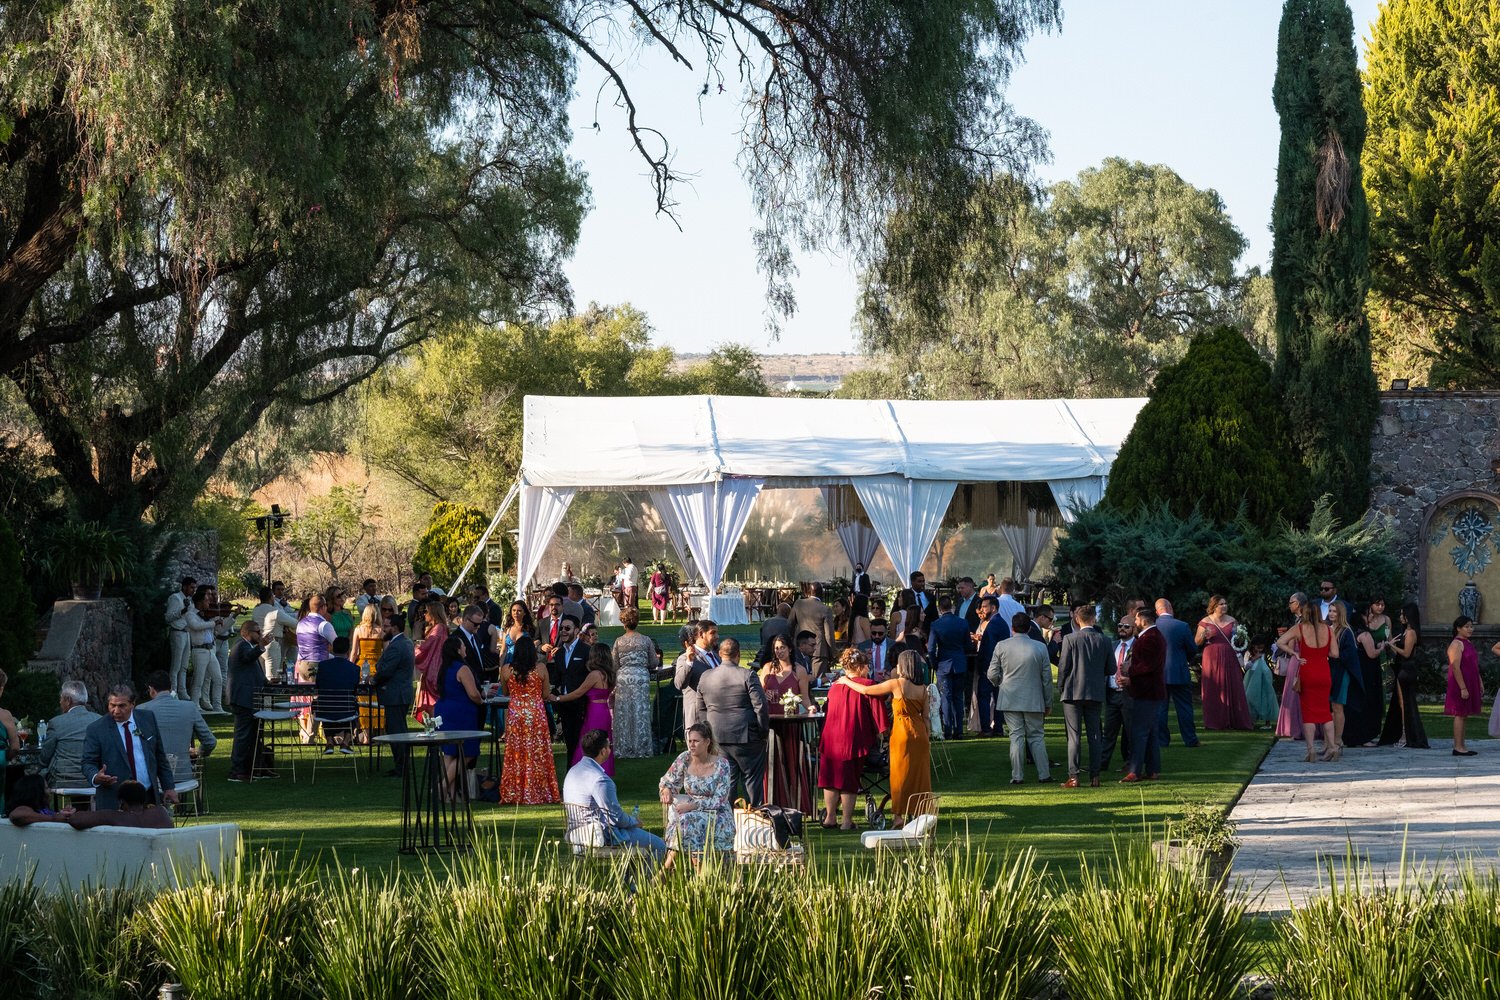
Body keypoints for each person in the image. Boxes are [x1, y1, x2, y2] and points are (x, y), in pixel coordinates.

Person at [837, 650, 930, 825]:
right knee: (920, 775)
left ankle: (898, 816)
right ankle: (920, 813)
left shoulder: (896, 684)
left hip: (902, 732)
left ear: (903, 666)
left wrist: (846, 681)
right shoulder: (923, 689)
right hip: (921, 734)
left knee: (899, 776)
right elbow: (926, 717)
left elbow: (867, 690)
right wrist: (927, 736)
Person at [564, 729, 666, 862]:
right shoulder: (600, 780)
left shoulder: (573, 771)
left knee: (637, 844)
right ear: (603, 751)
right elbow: (615, 818)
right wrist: (634, 822)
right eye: (609, 746)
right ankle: (638, 883)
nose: (610, 749)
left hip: (576, 833)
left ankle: (629, 882)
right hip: (600, 836)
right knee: (659, 845)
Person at [694, 641, 770, 806]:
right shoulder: (748, 675)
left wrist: (707, 734)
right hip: (747, 735)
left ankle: (728, 821)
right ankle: (754, 817)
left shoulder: (706, 676)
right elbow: (761, 706)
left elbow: (700, 709)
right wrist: (763, 731)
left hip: (717, 735)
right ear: (738, 654)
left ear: (720, 654)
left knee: (727, 781)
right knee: (752, 780)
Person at [817, 649, 886, 828]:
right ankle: (847, 821)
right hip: (853, 738)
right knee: (849, 779)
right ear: (862, 667)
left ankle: (830, 817)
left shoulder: (835, 687)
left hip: (831, 738)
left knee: (831, 778)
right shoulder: (868, 685)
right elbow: (879, 716)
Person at [81, 684, 179, 809]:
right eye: (112, 705)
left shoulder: (147, 719)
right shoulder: (96, 729)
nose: (116, 711)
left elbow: (159, 756)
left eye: (122, 706)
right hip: (114, 800)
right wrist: (95, 776)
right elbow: (87, 762)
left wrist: (169, 787)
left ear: (132, 704)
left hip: (147, 796)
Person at [657, 722, 735, 868]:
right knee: (686, 821)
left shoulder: (722, 765)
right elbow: (667, 781)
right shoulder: (684, 759)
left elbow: (719, 799)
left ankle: (667, 870)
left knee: (688, 821)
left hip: (717, 813)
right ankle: (696, 873)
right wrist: (666, 790)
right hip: (689, 810)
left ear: (707, 742)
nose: (691, 745)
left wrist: (693, 806)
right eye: (690, 741)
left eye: (696, 741)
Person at [990, 612, 1054, 784]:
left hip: (1010, 696)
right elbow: (1046, 678)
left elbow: (992, 673)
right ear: (1029, 628)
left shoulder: (1001, 646)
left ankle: (1017, 776)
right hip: (1033, 698)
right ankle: (1044, 774)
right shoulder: (1040, 647)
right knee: (1036, 736)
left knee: (1016, 736)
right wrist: (1048, 701)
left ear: (1012, 628)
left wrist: (1000, 683)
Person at [760, 633, 818, 814]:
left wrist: (810, 708)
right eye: (776, 648)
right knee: (771, 762)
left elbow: (805, 698)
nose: (779, 651)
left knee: (791, 761)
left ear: (790, 649)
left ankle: (795, 803)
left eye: (782, 647)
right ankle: (771, 801)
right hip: (770, 722)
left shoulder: (799, 670)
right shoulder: (767, 668)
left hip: (791, 723)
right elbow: (759, 694)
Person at [498, 636, 561, 804]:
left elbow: (505, 693)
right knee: (538, 751)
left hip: (516, 715)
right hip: (535, 714)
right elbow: (546, 694)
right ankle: (539, 789)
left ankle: (515, 790)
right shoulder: (540, 668)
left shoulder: (506, 670)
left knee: (516, 752)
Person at [1275, 595, 1336, 762]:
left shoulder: (1300, 628)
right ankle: (1332, 747)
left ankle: (1311, 751)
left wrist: (1295, 653)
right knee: (1326, 712)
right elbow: (1335, 653)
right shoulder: (1329, 630)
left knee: (1308, 714)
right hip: (1324, 672)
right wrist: (1322, 653)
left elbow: (1281, 642)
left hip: (1307, 671)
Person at [1057, 604, 1111, 788]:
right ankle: (1095, 776)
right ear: (1094, 619)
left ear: (1077, 619)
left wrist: (1060, 686)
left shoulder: (1070, 639)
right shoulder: (1104, 640)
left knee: (1074, 736)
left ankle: (1074, 776)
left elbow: (1063, 667)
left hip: (1072, 692)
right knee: (1095, 735)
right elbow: (1111, 668)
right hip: (1095, 691)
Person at [137, 669, 217, 782]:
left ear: (151, 689)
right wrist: (198, 753)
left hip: (152, 777)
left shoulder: (141, 710)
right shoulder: (190, 707)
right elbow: (210, 742)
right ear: (170, 689)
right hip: (183, 775)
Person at [432, 635, 483, 798]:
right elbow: (473, 693)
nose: (465, 648)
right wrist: (482, 699)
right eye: (463, 646)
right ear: (457, 650)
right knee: (467, 752)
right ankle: (442, 786)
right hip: (461, 712)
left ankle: (450, 796)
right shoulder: (462, 668)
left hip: (444, 710)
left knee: (449, 752)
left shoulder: (444, 667)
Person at [555, 642, 616, 773]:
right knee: (603, 742)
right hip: (604, 711)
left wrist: (558, 698)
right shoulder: (609, 674)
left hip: (594, 712)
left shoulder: (595, 674)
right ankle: (603, 770)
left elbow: (578, 692)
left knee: (589, 742)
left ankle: (584, 773)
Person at [1196, 595, 1253, 731]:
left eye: (1225, 603)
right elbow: (1196, 642)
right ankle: (1214, 721)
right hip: (1211, 656)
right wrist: (1204, 635)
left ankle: (1236, 719)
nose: (1224, 606)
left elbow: (1238, 640)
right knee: (1213, 686)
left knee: (1233, 684)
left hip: (1229, 655)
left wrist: (1241, 638)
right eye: (1221, 604)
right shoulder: (1205, 621)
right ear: (1214, 607)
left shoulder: (1233, 621)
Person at [1121, 607, 1165, 782]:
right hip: (1151, 691)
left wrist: (1130, 670)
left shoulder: (1149, 639)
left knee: (1139, 732)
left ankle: (1135, 770)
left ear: (1144, 621)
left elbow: (1147, 665)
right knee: (1151, 732)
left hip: (1146, 691)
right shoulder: (1153, 637)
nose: (1135, 623)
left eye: (1137, 620)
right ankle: (1152, 768)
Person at [610, 607, 659, 759]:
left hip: (624, 677)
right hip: (640, 677)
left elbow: (614, 664)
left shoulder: (619, 641)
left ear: (623, 623)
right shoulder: (645, 640)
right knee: (640, 711)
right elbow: (653, 662)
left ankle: (624, 747)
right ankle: (641, 747)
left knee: (624, 711)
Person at [1378, 604, 1429, 749]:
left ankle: (1407, 736)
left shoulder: (1411, 632)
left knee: (1405, 703)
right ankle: (1403, 733)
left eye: (1403, 615)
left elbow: (1406, 653)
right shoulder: (1405, 632)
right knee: (1401, 703)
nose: (1400, 617)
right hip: (1402, 668)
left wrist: (1391, 645)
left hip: (1407, 669)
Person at [371, 618, 416, 777]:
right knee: (398, 729)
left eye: (386, 626)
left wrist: (374, 679)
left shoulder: (396, 646)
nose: (383, 629)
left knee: (396, 730)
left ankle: (401, 766)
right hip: (401, 692)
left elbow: (386, 670)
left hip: (395, 693)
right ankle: (402, 764)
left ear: (395, 628)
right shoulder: (406, 642)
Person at [226, 619, 270, 782]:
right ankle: (237, 771)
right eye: (257, 632)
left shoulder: (248, 647)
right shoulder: (241, 646)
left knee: (253, 735)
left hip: (251, 697)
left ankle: (254, 768)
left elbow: (251, 668)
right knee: (243, 735)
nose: (260, 635)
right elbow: (247, 658)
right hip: (243, 698)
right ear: (246, 632)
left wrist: (266, 681)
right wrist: (261, 646)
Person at [1154, 599, 1199, 748]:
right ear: (1170, 608)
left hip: (1159, 673)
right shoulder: (1182, 626)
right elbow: (1192, 648)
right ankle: (1190, 739)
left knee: (1161, 708)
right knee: (1184, 708)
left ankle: (1162, 741)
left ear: (1157, 611)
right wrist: (1184, 658)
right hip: (1179, 671)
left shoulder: (1153, 627)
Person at [928, 595, 972, 740]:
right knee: (958, 697)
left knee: (946, 698)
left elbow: (930, 648)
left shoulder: (935, 624)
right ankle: (958, 730)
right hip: (959, 662)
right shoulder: (963, 623)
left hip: (943, 664)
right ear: (952, 607)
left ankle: (947, 729)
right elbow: (968, 645)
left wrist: (934, 663)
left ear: (940, 609)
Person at [40, 680, 101, 786]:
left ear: (68, 700)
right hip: (93, 778)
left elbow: (45, 755)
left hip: (63, 779)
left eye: (61, 698)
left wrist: (39, 768)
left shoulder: (56, 723)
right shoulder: (99, 720)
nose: (60, 702)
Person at [548, 616, 591, 762]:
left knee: (583, 745)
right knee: (570, 745)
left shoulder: (586, 651)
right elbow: (556, 679)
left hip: (583, 704)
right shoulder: (559, 653)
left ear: (577, 630)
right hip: (564, 705)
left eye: (567, 628)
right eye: (561, 628)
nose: (563, 631)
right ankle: (571, 775)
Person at [314, 637, 362, 753]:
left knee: (329, 704)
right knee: (351, 707)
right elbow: (355, 688)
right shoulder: (354, 668)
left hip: (326, 709)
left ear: (332, 649)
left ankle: (329, 741)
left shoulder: (323, 666)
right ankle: (345, 741)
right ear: (348, 650)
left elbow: (318, 685)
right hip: (346, 709)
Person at [1344, 614, 1385, 747]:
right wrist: (1381, 648)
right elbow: (1371, 653)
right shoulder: (1365, 634)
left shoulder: (1351, 633)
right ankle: (1365, 736)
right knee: (1367, 702)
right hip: (1368, 672)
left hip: (1357, 671)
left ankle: (1352, 735)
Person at [1327, 602, 1363, 752]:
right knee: (1330, 707)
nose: (1331, 613)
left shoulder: (1346, 632)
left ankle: (1338, 739)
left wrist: (1332, 655)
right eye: (1330, 610)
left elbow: (1349, 655)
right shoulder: (1328, 629)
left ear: (1340, 613)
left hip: (1342, 672)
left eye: (1334, 611)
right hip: (1330, 671)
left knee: (1338, 705)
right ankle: (1329, 740)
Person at [1446, 616, 1483, 757]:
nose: (1470, 629)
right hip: (1460, 684)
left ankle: (1462, 745)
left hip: (1470, 682)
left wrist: (1479, 681)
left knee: (1464, 714)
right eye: (1466, 626)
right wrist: (1463, 688)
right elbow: (1455, 667)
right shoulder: (1456, 644)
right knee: (1460, 714)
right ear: (1458, 628)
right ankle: (1458, 747)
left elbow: (1473, 665)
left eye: (1471, 626)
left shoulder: (1467, 642)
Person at [67, 780, 173, 830]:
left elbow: (76, 820)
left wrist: (70, 814)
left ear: (122, 802)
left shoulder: (116, 817)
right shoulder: (161, 813)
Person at [972, 597, 1009, 737]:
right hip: (998, 667)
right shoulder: (1000, 623)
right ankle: (998, 727)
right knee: (998, 697)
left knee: (984, 696)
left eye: (985, 607)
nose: (982, 609)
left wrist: (983, 665)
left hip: (991, 667)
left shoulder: (994, 625)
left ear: (993, 608)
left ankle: (986, 728)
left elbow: (990, 649)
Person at [1101, 617, 1133, 771]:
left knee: (1129, 731)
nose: (1122, 629)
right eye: (1120, 625)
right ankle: (1102, 763)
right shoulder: (1113, 645)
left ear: (1133, 628)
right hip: (1112, 693)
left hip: (1129, 694)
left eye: (1126, 626)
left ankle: (1129, 763)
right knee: (1109, 731)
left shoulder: (1137, 646)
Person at [1274, 594, 1307, 740]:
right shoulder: (1302, 620)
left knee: (1295, 692)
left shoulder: (1301, 622)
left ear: (1298, 604)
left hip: (1298, 658)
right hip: (1306, 658)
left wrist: (1290, 649)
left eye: (1291, 602)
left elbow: (1290, 644)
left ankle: (1294, 727)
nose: (1289, 605)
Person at [788, 585, 836, 680]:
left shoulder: (798, 604)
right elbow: (829, 635)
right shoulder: (825, 609)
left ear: (809, 592)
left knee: (799, 679)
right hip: (819, 650)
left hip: (800, 647)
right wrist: (832, 653)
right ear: (821, 593)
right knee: (817, 682)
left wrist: (794, 640)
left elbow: (790, 624)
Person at [252, 586, 298, 683]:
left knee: (261, 677)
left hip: (258, 644)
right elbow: (295, 623)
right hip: (272, 644)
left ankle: (262, 698)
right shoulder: (275, 612)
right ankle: (269, 698)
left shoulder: (256, 610)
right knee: (272, 677)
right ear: (271, 597)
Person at [413, 599, 449, 722]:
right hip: (435, 666)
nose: (424, 614)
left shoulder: (439, 628)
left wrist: (414, 650)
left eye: (426, 612)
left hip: (435, 667)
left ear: (433, 613)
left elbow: (427, 647)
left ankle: (435, 727)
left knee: (433, 702)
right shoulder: (439, 628)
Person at [165, 576, 196, 698]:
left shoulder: (190, 601)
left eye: (195, 588)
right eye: (191, 587)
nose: (194, 590)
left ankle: (182, 690)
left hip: (186, 632)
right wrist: (181, 612)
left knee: (184, 666)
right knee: (176, 665)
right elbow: (168, 617)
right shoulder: (175, 598)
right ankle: (173, 692)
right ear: (184, 587)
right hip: (177, 632)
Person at [6, 774, 73, 825]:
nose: (50, 791)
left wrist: (63, 814)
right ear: (37, 793)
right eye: (46, 788)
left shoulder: (41, 810)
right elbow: (17, 815)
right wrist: (53, 818)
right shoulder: (24, 809)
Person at [1242, 641, 1280, 730]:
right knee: (1249, 697)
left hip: (1263, 676)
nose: (1259, 649)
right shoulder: (1248, 653)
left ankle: (1267, 722)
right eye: (1258, 647)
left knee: (1266, 697)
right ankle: (1250, 720)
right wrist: (1254, 658)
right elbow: (1246, 666)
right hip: (1252, 676)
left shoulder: (1263, 654)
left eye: (1261, 648)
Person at [352, 604, 386, 681]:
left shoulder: (358, 630)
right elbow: (386, 653)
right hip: (376, 666)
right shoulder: (382, 632)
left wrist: (349, 666)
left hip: (361, 666)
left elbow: (354, 652)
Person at [858, 617, 897, 682]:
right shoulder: (862, 646)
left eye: (880, 633)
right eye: (874, 633)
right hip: (868, 682)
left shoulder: (894, 645)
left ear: (886, 632)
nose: (877, 636)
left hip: (888, 682)